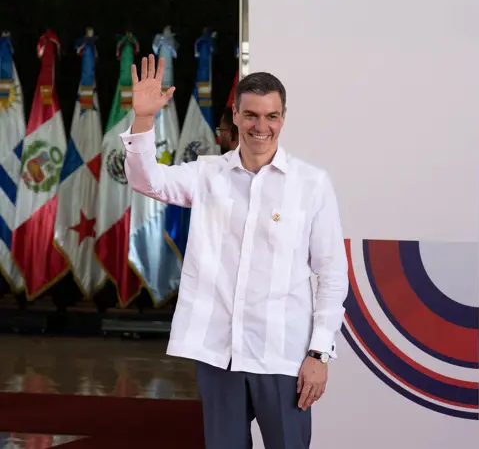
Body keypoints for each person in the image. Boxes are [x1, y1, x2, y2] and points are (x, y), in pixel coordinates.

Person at [120, 54, 349, 449]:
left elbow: (331, 273)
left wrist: (319, 353)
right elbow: (147, 181)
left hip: (283, 356)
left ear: (283, 118)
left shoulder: (311, 184)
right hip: (217, 354)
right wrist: (143, 119)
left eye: (271, 116)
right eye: (251, 115)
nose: (262, 126)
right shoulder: (206, 174)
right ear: (236, 117)